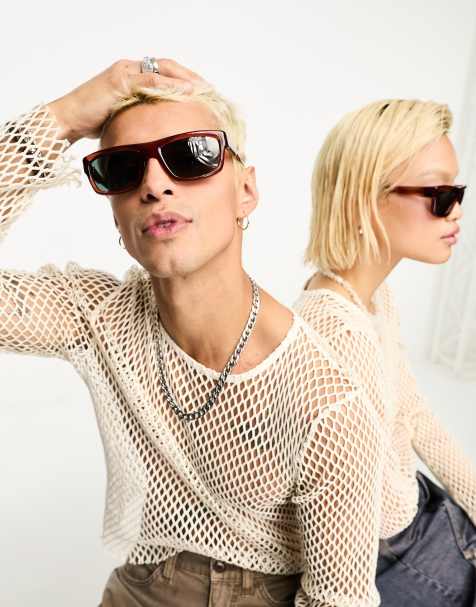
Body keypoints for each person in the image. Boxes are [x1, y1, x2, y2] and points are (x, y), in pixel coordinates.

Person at [0, 57, 387, 606]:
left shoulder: (325, 405)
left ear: (245, 191)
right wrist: (63, 117)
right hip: (135, 587)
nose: (155, 184)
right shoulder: (97, 317)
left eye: (191, 156)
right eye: (121, 168)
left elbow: (337, 600)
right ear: (114, 212)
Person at [293, 98, 476, 605]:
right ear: (367, 198)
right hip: (397, 552)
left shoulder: (371, 298)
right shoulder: (335, 330)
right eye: (440, 195)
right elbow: (366, 508)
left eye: (457, 192)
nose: (457, 210)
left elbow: (414, 414)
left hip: (426, 514)